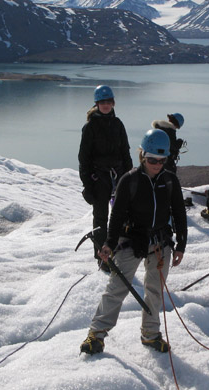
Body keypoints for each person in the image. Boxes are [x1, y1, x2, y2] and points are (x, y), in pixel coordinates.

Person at [80, 129, 187, 355]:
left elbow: (179, 213)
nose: (157, 165)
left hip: (160, 243)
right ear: (143, 156)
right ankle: (96, 335)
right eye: (152, 160)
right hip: (131, 241)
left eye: (162, 160)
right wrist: (109, 244)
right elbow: (116, 216)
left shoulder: (169, 180)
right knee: (117, 288)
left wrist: (181, 245)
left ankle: (151, 334)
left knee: (155, 290)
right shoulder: (129, 180)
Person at [78, 85, 133, 273]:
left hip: (118, 176)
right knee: (100, 219)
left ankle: (118, 252)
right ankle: (102, 258)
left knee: (120, 216)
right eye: (102, 102)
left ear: (113, 103)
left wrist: (129, 177)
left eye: (108, 101)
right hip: (99, 178)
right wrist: (87, 185)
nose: (106, 105)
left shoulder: (118, 124)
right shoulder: (90, 127)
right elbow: (84, 158)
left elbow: (125, 152)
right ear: (97, 104)